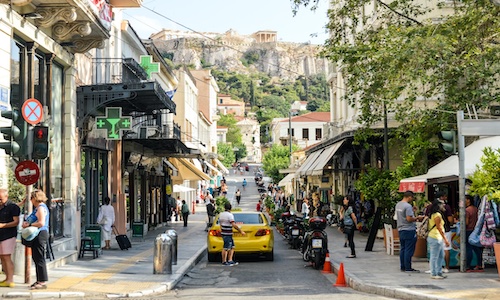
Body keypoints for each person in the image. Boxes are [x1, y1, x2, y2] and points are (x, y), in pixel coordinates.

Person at [22, 189, 49, 290]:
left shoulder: (41, 208)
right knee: (36, 257)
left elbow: (41, 222)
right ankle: (39, 280)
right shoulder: (38, 208)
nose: (31, 200)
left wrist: (29, 224)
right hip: (38, 234)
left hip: (40, 233)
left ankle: (42, 281)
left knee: (39, 257)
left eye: (31, 198)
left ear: (35, 198)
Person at [395, 190, 424, 273]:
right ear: (409, 197)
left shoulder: (398, 205)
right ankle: (408, 267)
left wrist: (412, 211)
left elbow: (403, 216)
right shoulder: (407, 206)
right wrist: (417, 218)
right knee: (409, 249)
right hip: (409, 229)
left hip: (401, 229)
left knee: (403, 248)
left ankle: (403, 266)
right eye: (412, 198)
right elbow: (409, 219)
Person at [426, 191, 453, 273]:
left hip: (432, 234)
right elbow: (441, 227)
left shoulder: (429, 208)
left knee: (437, 254)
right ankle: (442, 269)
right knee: (444, 251)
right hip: (439, 234)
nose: (443, 205)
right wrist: (445, 239)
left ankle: (437, 270)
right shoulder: (439, 213)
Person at [0, 189, 21, 287]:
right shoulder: (1, 207)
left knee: (6, 256)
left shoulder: (12, 207)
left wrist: (3, 225)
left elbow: (16, 222)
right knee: (2, 257)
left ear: (6, 196)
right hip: (1, 235)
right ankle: (7, 278)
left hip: (9, 234)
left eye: (1, 199)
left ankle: (10, 279)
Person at [465, 195, 483, 272]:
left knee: (468, 248)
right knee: (476, 248)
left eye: (465, 199)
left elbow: (466, 222)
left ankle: (468, 266)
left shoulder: (467, 210)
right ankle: (479, 264)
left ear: (468, 200)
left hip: (469, 230)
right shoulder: (475, 209)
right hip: (475, 230)